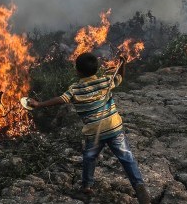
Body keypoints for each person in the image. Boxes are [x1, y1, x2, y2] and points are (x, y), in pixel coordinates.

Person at [27, 53, 151, 203]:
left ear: (77, 71)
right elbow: (119, 78)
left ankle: (86, 186)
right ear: (96, 69)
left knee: (89, 158)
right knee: (126, 157)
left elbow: (60, 100)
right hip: (114, 128)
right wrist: (122, 64)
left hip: (94, 133)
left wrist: (39, 104)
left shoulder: (75, 89)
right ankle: (139, 185)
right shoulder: (105, 81)